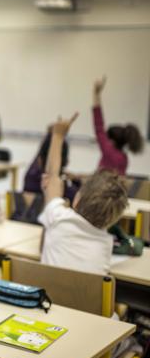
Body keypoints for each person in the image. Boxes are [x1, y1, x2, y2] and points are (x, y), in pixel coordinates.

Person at [39, 112, 128, 275]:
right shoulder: (106, 245)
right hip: (84, 300)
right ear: (112, 220)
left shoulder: (58, 218)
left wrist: (58, 136)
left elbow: (52, 177)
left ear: (76, 200)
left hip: (46, 299)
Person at [92, 76, 143, 175]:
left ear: (112, 141)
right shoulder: (124, 158)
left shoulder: (108, 150)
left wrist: (96, 93)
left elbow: (99, 124)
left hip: (100, 189)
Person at [23, 128, 79, 203]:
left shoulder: (30, 178)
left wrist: (53, 135)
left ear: (39, 160)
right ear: (67, 161)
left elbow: (41, 155)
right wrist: (77, 181)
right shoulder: (67, 191)